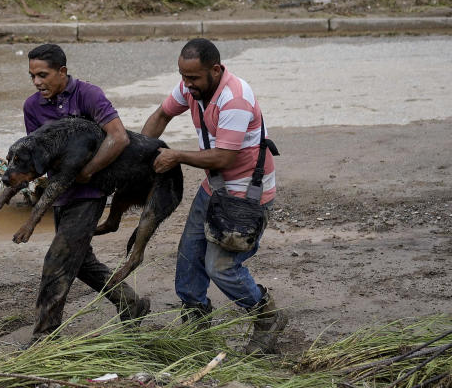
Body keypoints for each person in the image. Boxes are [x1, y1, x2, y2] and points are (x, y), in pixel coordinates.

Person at [140, 38, 287, 354]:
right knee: (188, 258)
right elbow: (161, 116)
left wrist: (175, 155)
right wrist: (137, 150)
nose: (187, 85)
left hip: (246, 195)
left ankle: (266, 316)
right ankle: (196, 331)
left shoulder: (234, 99)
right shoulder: (191, 87)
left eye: (193, 78)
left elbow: (223, 158)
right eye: (183, 77)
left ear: (216, 70)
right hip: (216, 187)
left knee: (220, 267)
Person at [22, 43, 149, 343]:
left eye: (43, 75)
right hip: (60, 193)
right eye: (32, 76)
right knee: (80, 261)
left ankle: (45, 337)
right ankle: (131, 305)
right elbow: (37, 153)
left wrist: (88, 171)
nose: (37, 82)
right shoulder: (32, 107)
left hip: (90, 192)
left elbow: (118, 138)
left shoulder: (88, 95)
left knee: (58, 260)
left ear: (62, 72)